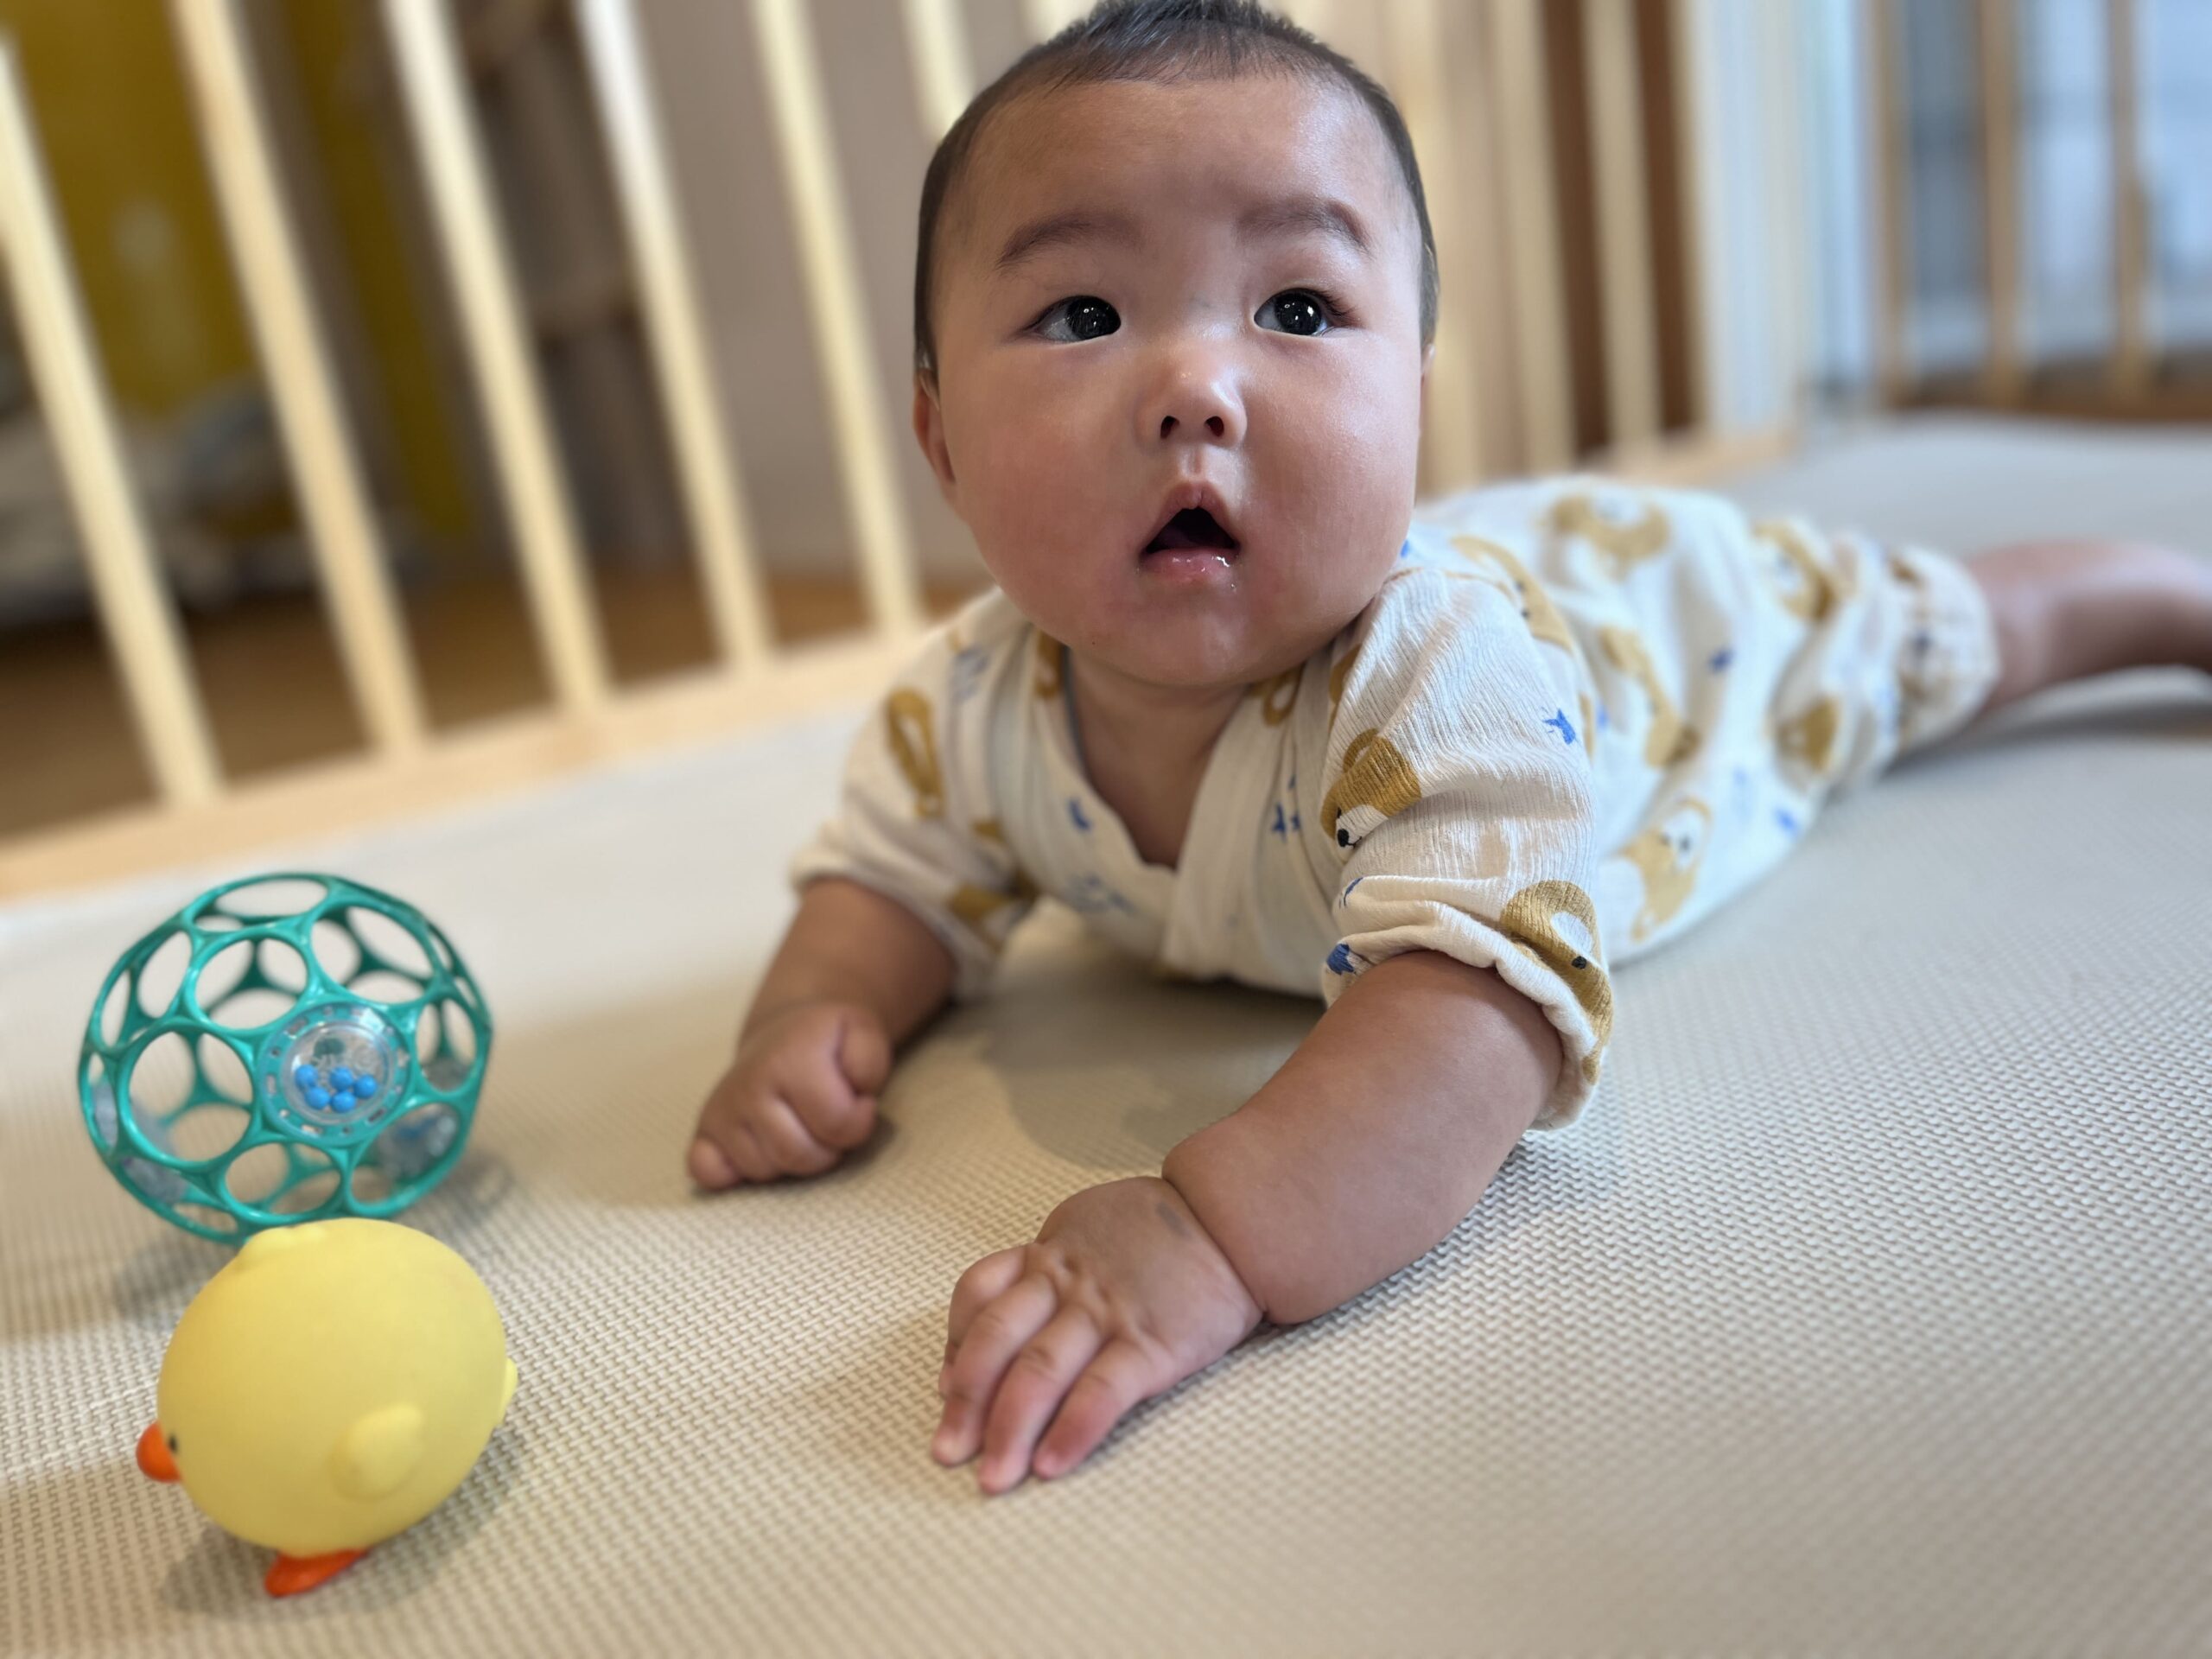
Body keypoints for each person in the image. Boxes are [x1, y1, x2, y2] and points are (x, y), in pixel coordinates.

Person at [685, 0, 2212, 1497]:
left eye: (1297, 310)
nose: (1197, 390)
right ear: (940, 440)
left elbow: (1478, 1014)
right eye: (1085, 313)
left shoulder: (1438, 677)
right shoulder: (966, 702)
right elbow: (889, 877)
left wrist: (1214, 1230)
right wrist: (812, 1011)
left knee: (1942, 638)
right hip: (1542, 582)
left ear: (1409, 400)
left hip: (1676, 638)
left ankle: (2157, 598)